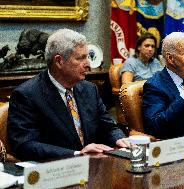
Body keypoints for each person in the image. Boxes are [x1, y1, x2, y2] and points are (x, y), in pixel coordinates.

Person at [7, 29, 129, 161]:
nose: (88, 64)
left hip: (93, 167)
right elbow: (25, 145)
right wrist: (76, 154)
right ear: (59, 61)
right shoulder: (27, 95)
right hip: (55, 172)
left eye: (87, 57)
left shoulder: (90, 89)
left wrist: (119, 139)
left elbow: (108, 126)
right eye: (80, 58)